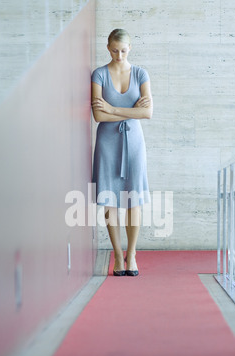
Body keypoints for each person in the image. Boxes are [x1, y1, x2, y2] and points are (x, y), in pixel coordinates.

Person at [91, 29, 153, 277]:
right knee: (110, 198)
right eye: (114, 50)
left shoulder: (140, 74)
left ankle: (133, 254)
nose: (119, 55)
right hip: (107, 142)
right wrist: (129, 110)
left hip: (135, 142)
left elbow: (147, 113)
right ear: (108, 47)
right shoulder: (99, 75)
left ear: (130, 48)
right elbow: (98, 116)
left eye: (123, 51)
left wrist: (113, 110)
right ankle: (117, 254)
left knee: (134, 197)